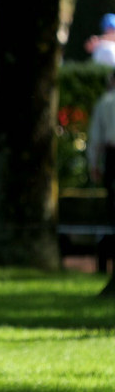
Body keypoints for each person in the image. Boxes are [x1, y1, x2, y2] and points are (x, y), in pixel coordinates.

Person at [86, 71, 115, 267]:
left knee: (112, 207)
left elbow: (95, 137)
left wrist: (93, 164)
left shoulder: (105, 102)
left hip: (112, 156)